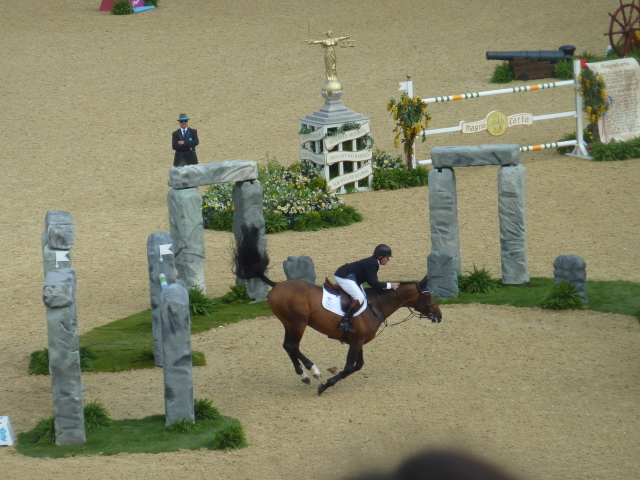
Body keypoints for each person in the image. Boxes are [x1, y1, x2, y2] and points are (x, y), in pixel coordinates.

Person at [333, 244, 400, 333]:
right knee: (359, 297)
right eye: (387, 257)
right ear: (380, 256)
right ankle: (344, 322)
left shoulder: (374, 262)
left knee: (363, 296)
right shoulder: (373, 264)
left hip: (352, 277)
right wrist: (390, 285)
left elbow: (371, 281)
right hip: (343, 277)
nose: (388, 259)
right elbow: (373, 284)